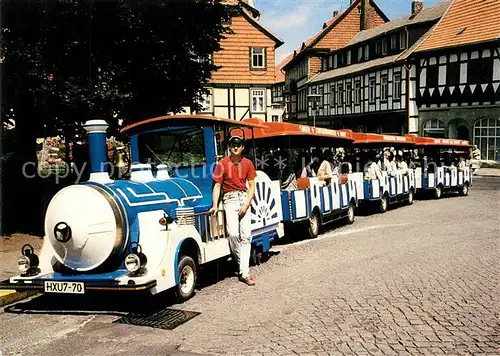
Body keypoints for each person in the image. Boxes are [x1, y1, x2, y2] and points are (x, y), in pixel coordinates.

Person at [209, 135, 256, 286]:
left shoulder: (248, 163)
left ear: (243, 147)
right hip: (229, 199)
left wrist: (247, 204)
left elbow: (252, 186)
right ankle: (243, 265)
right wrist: (215, 205)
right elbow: (217, 186)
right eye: (232, 145)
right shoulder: (222, 164)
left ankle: (244, 272)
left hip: (244, 198)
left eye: (238, 145)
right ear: (229, 147)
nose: (235, 147)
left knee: (246, 236)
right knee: (233, 234)